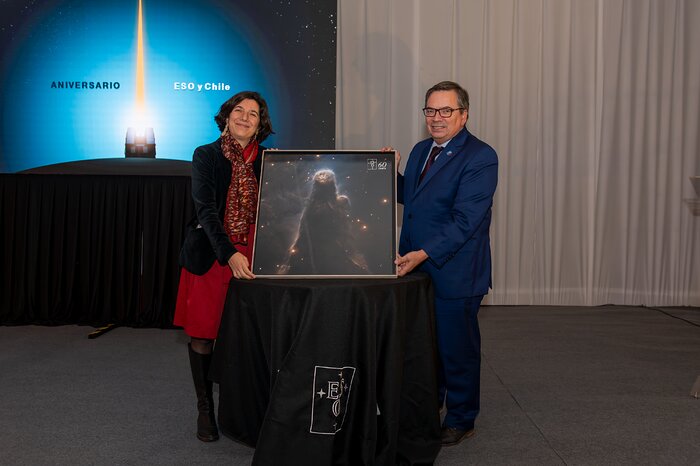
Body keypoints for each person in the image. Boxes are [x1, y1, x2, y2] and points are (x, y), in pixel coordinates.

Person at [386, 80, 498, 446]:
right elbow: (415, 199)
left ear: (463, 114)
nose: (437, 118)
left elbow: (466, 220)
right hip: (419, 268)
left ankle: (463, 418)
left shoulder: (480, 156)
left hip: (456, 271)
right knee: (425, 345)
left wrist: (423, 253)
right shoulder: (420, 150)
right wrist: (390, 173)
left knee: (457, 349)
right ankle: (428, 405)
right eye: (431, 110)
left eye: (445, 110)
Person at [173, 91, 273, 442]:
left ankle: (244, 409)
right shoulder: (206, 155)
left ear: (261, 124)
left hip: (258, 258)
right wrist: (229, 253)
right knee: (203, 336)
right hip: (215, 255)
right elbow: (206, 212)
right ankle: (205, 408)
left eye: (254, 114)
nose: (245, 117)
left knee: (248, 337)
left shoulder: (270, 160)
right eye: (239, 111)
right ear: (226, 115)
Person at [285, 169, 369, 275]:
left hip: (329, 253)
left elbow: (303, 235)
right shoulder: (314, 208)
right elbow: (303, 234)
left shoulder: (315, 208)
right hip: (324, 253)